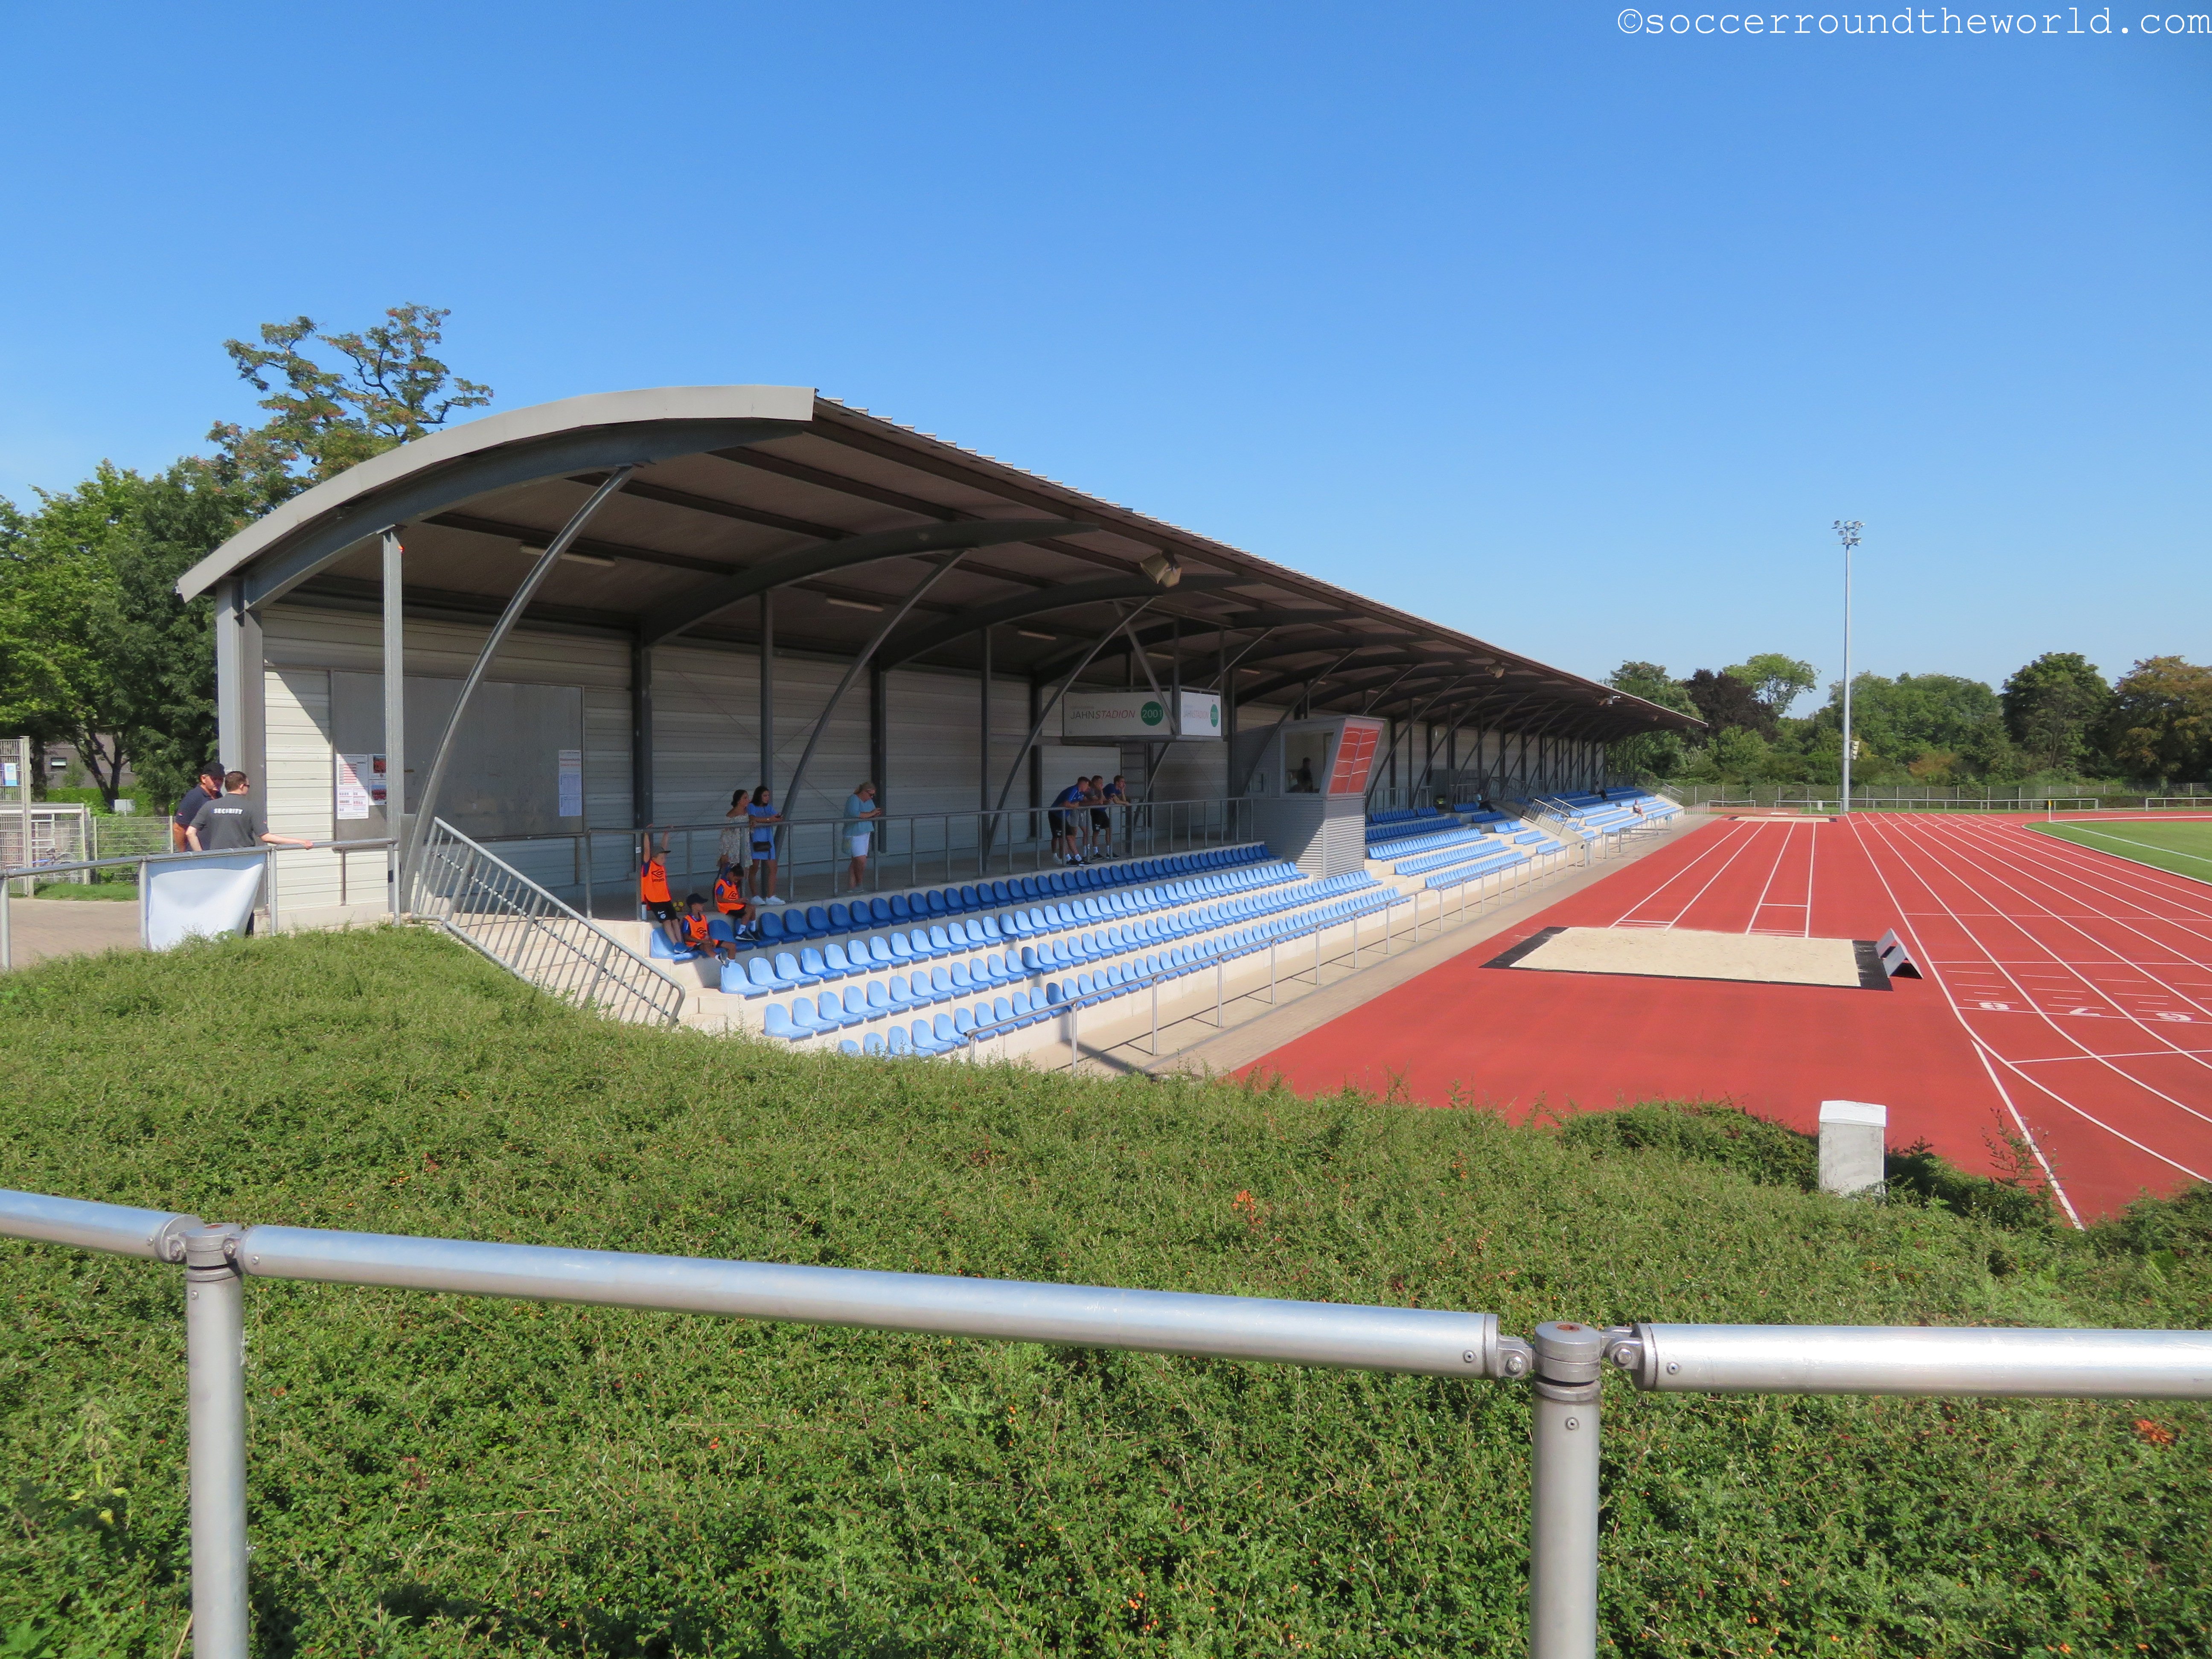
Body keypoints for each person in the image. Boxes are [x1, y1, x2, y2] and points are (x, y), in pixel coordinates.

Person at [185, 772, 313, 934]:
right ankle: (245, 936)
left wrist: (202, 857)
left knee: (219, 901)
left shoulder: (210, 806)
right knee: (244, 902)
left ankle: (217, 935)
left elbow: (190, 832)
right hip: (243, 865)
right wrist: (300, 842)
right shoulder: (251, 807)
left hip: (217, 865)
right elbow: (266, 837)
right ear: (241, 786)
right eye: (248, 786)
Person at [638, 827, 684, 951]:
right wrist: (646, 834)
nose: (665, 860)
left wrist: (666, 834)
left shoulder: (661, 866)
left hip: (665, 898)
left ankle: (681, 943)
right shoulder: (648, 866)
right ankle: (675, 945)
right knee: (667, 921)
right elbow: (647, 851)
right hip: (655, 899)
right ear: (654, 858)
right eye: (662, 858)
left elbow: (664, 847)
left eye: (665, 857)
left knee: (675, 920)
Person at [172, 761, 226, 853]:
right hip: (197, 853)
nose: (218, 782)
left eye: (221, 780)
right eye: (214, 779)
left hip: (214, 852)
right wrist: (183, 852)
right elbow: (179, 828)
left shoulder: (219, 796)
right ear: (204, 779)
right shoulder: (194, 797)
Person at [843, 781, 881, 891]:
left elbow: (870, 814)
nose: (872, 797)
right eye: (870, 795)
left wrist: (875, 814)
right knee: (861, 860)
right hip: (854, 834)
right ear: (864, 792)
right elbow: (856, 814)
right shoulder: (854, 799)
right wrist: (871, 814)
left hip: (865, 832)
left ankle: (852, 887)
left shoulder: (869, 801)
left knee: (857, 861)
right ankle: (859, 884)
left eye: (873, 795)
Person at [745, 786, 782, 900]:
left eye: (768, 796)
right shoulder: (752, 806)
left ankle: (771, 896)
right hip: (756, 841)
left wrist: (776, 818)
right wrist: (769, 820)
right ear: (759, 796)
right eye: (765, 796)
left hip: (768, 841)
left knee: (773, 868)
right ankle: (755, 896)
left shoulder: (768, 808)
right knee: (754, 868)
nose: (767, 798)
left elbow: (775, 817)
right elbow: (752, 818)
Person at [679, 893, 735, 960]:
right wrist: (702, 941)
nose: (703, 905)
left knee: (732, 946)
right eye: (701, 904)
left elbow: (706, 933)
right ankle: (719, 958)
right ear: (694, 905)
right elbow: (686, 937)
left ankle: (731, 964)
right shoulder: (687, 920)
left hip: (706, 941)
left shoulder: (703, 917)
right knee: (707, 945)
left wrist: (711, 940)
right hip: (694, 944)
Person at [1048, 777, 1089, 863]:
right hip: (1055, 814)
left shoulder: (1081, 793)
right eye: (1087, 785)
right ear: (1083, 784)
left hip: (1063, 816)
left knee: (1069, 836)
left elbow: (1083, 802)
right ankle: (1058, 856)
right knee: (1058, 837)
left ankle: (1077, 858)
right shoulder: (1073, 790)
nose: (1088, 788)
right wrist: (1074, 806)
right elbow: (1066, 804)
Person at [717, 790, 751, 888]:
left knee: (743, 874)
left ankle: (737, 893)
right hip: (733, 848)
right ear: (739, 801)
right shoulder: (731, 815)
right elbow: (726, 835)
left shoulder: (747, 813)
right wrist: (725, 853)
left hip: (744, 846)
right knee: (731, 874)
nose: (748, 800)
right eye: (745, 798)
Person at [1099, 774, 1127, 859]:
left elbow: (1124, 801)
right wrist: (1125, 803)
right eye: (1122, 782)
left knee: (1109, 830)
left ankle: (1109, 852)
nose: (1124, 784)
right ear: (1117, 783)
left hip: (1102, 810)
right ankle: (1095, 853)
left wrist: (1123, 791)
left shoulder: (1117, 790)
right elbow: (1117, 801)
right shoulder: (1111, 787)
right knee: (1096, 832)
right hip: (1097, 809)